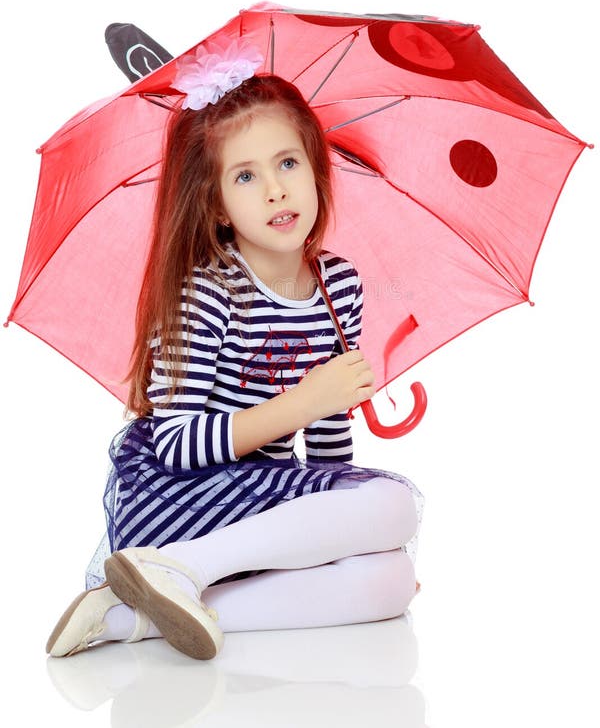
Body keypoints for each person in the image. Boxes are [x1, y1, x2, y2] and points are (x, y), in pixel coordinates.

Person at [46, 37, 424, 661]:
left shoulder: (339, 285)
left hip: (254, 500)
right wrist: (301, 404)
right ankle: (171, 566)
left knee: (389, 581)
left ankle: (125, 618)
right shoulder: (206, 293)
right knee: (394, 504)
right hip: (176, 497)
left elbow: (328, 444)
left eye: (288, 163)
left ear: (316, 168)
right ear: (217, 205)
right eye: (245, 175)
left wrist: (344, 539)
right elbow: (175, 445)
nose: (276, 191)